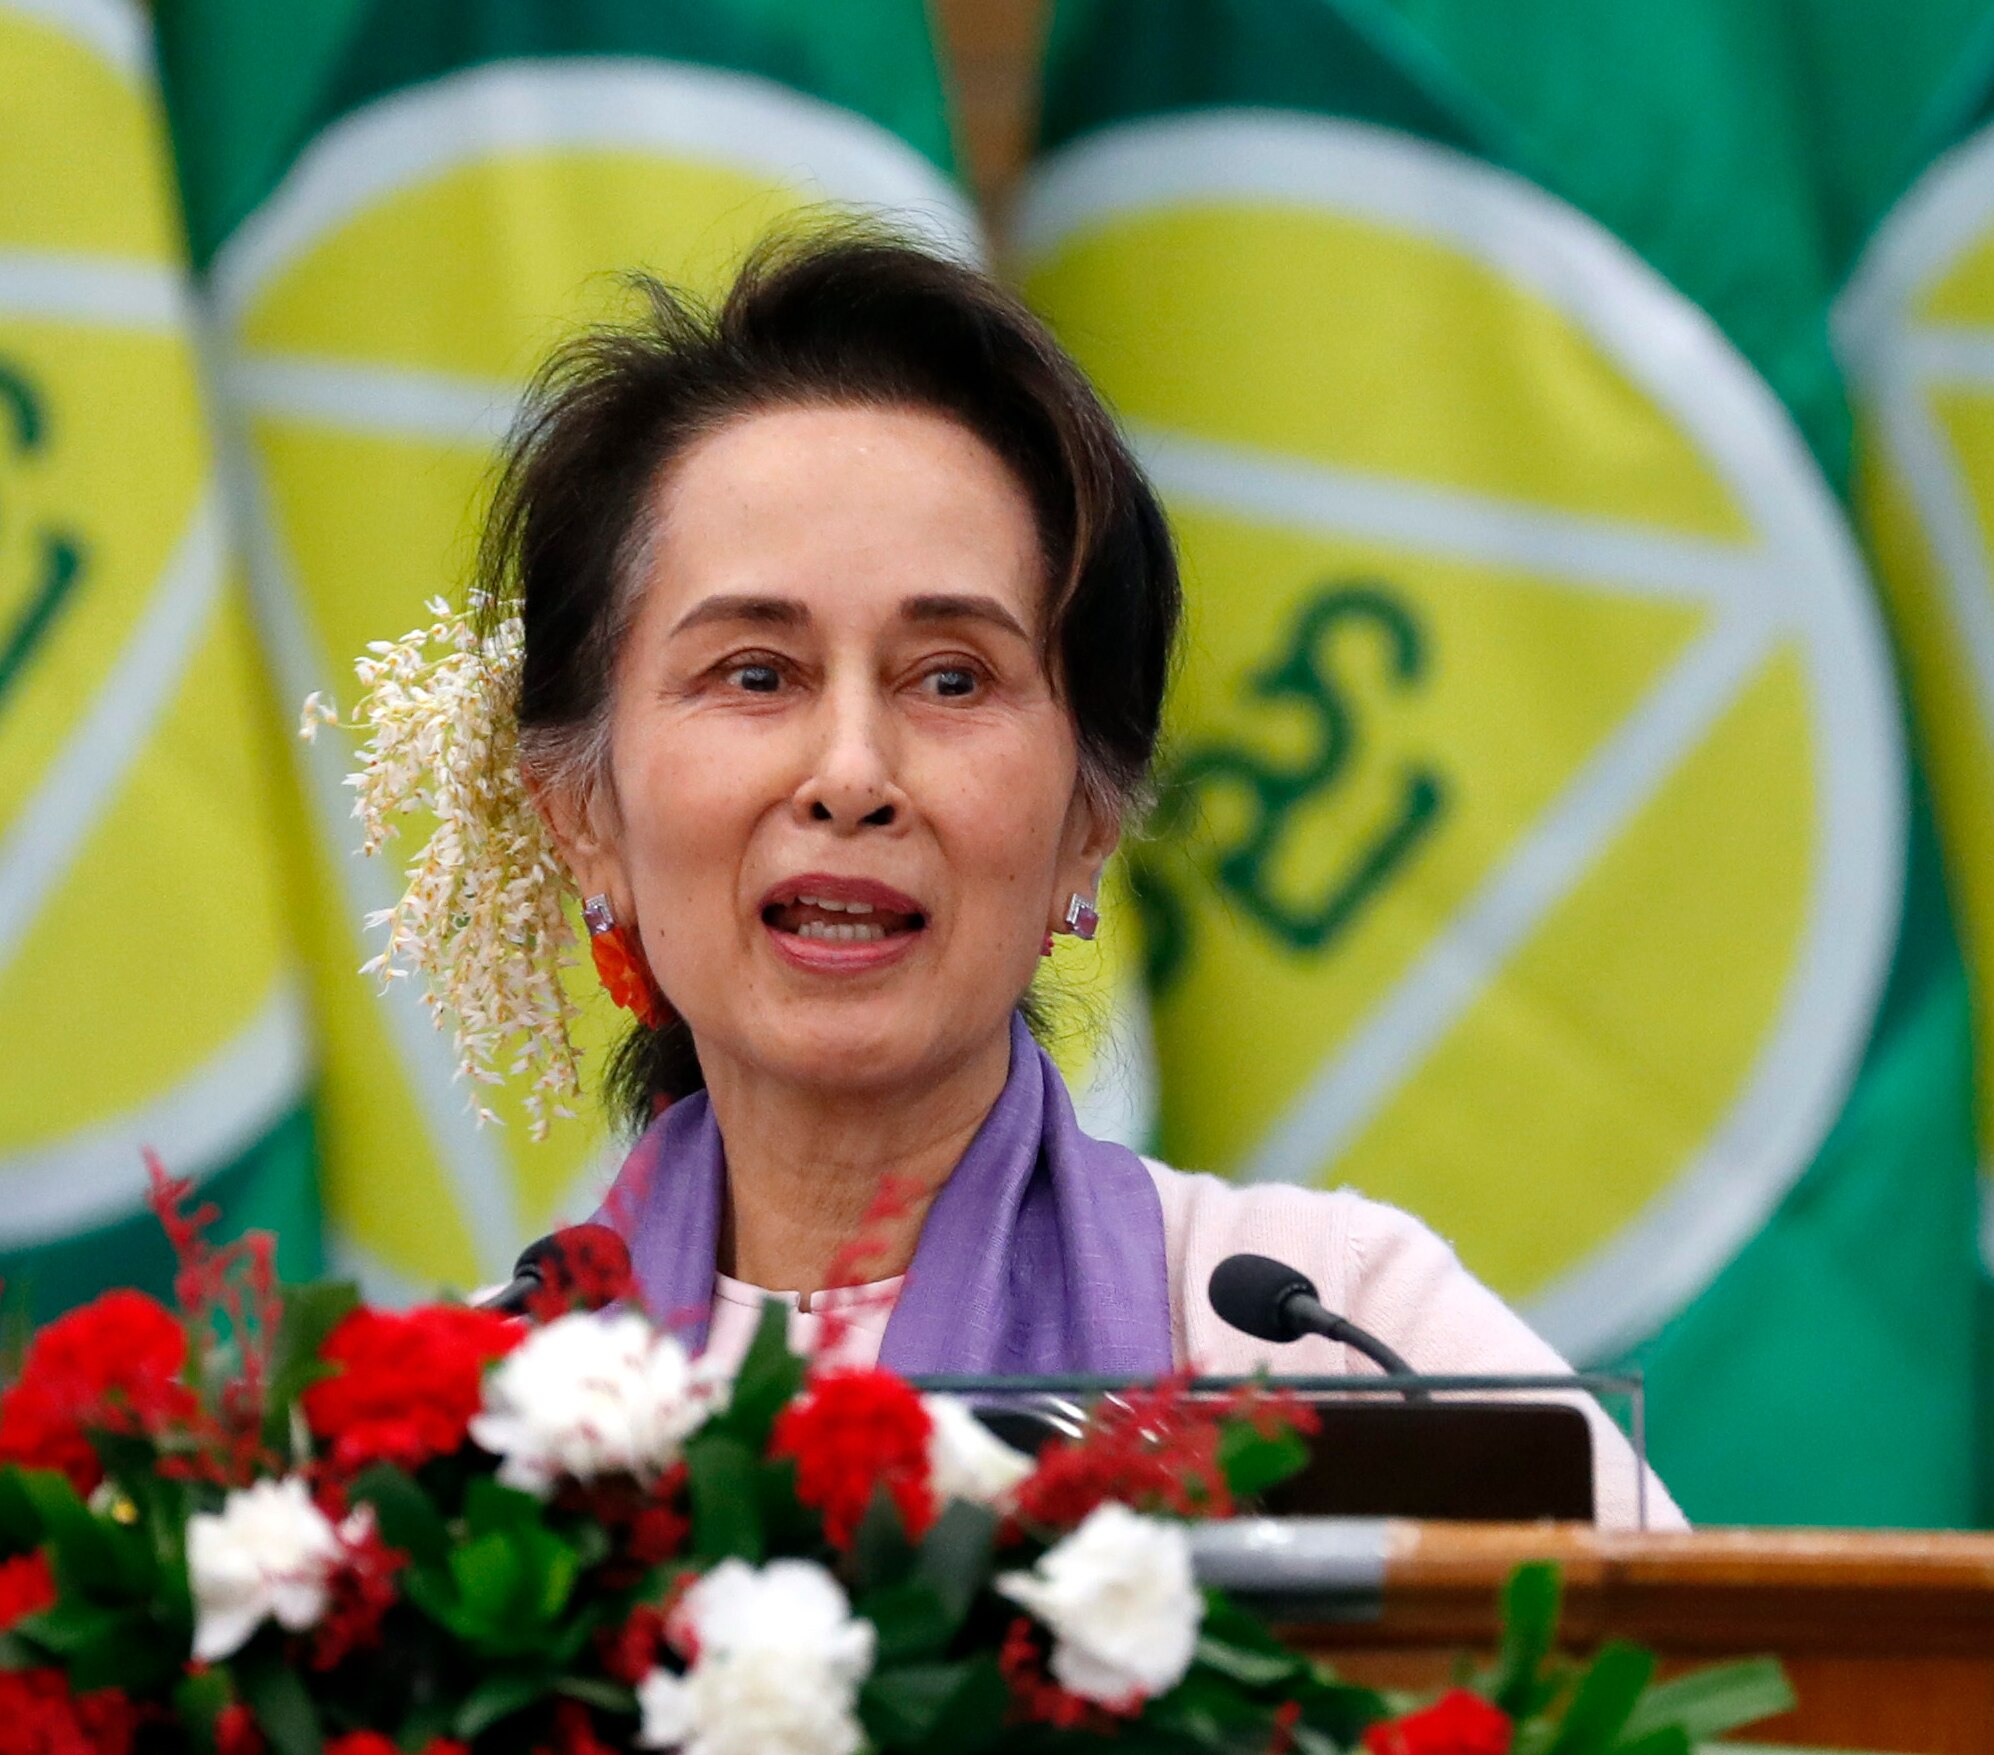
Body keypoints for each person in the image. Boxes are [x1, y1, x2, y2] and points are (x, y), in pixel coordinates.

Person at [334, 224, 1679, 1529]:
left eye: (951, 678)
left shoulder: (1314, 1332)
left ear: (1088, 822)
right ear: (582, 809)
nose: (850, 772)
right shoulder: (461, 1436)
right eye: (755, 674)